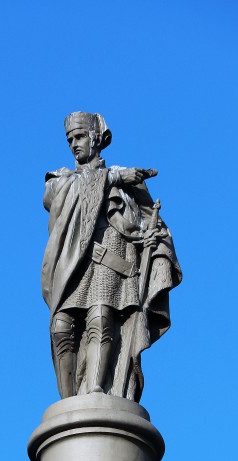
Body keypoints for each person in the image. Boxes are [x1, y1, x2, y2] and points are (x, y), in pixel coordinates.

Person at [41, 112, 182, 402]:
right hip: (73, 264)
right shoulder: (61, 179)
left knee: (101, 319)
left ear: (96, 138)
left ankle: (96, 391)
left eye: (80, 137)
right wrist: (113, 176)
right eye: (70, 139)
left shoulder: (129, 184)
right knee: (61, 329)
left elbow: (154, 226)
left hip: (112, 261)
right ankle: (69, 402)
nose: (74, 144)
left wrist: (152, 242)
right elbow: (56, 197)